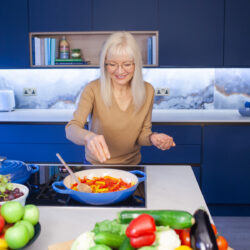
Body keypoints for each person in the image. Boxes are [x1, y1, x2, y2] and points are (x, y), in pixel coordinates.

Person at [65, 31, 175, 165]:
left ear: (136, 64)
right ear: (105, 64)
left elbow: (142, 134)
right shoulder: (92, 89)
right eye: (112, 64)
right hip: (96, 166)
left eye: (127, 64)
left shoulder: (148, 90)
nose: (120, 71)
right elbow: (71, 128)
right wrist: (88, 137)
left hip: (131, 166)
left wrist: (153, 137)